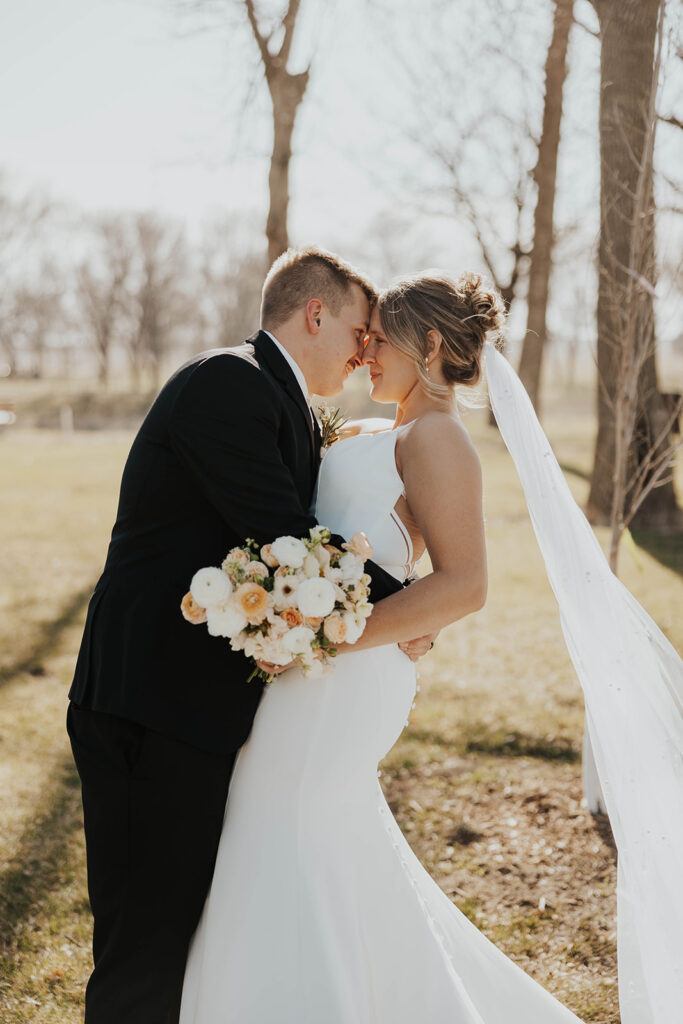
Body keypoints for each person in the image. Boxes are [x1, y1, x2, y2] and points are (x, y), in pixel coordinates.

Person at [178, 270, 587, 1023]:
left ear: (429, 344)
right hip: (308, 668)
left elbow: (464, 584)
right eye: (361, 337)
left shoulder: (437, 440)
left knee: (284, 821)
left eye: (379, 338)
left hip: (343, 676)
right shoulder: (372, 430)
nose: (363, 352)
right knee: (291, 831)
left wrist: (324, 637)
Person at [66, 246, 436, 1024]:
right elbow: (287, 540)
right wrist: (413, 607)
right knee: (143, 950)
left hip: (193, 713)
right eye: (360, 331)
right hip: (148, 703)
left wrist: (406, 606)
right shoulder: (228, 383)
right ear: (314, 314)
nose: (366, 350)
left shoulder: (286, 401)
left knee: (177, 938)